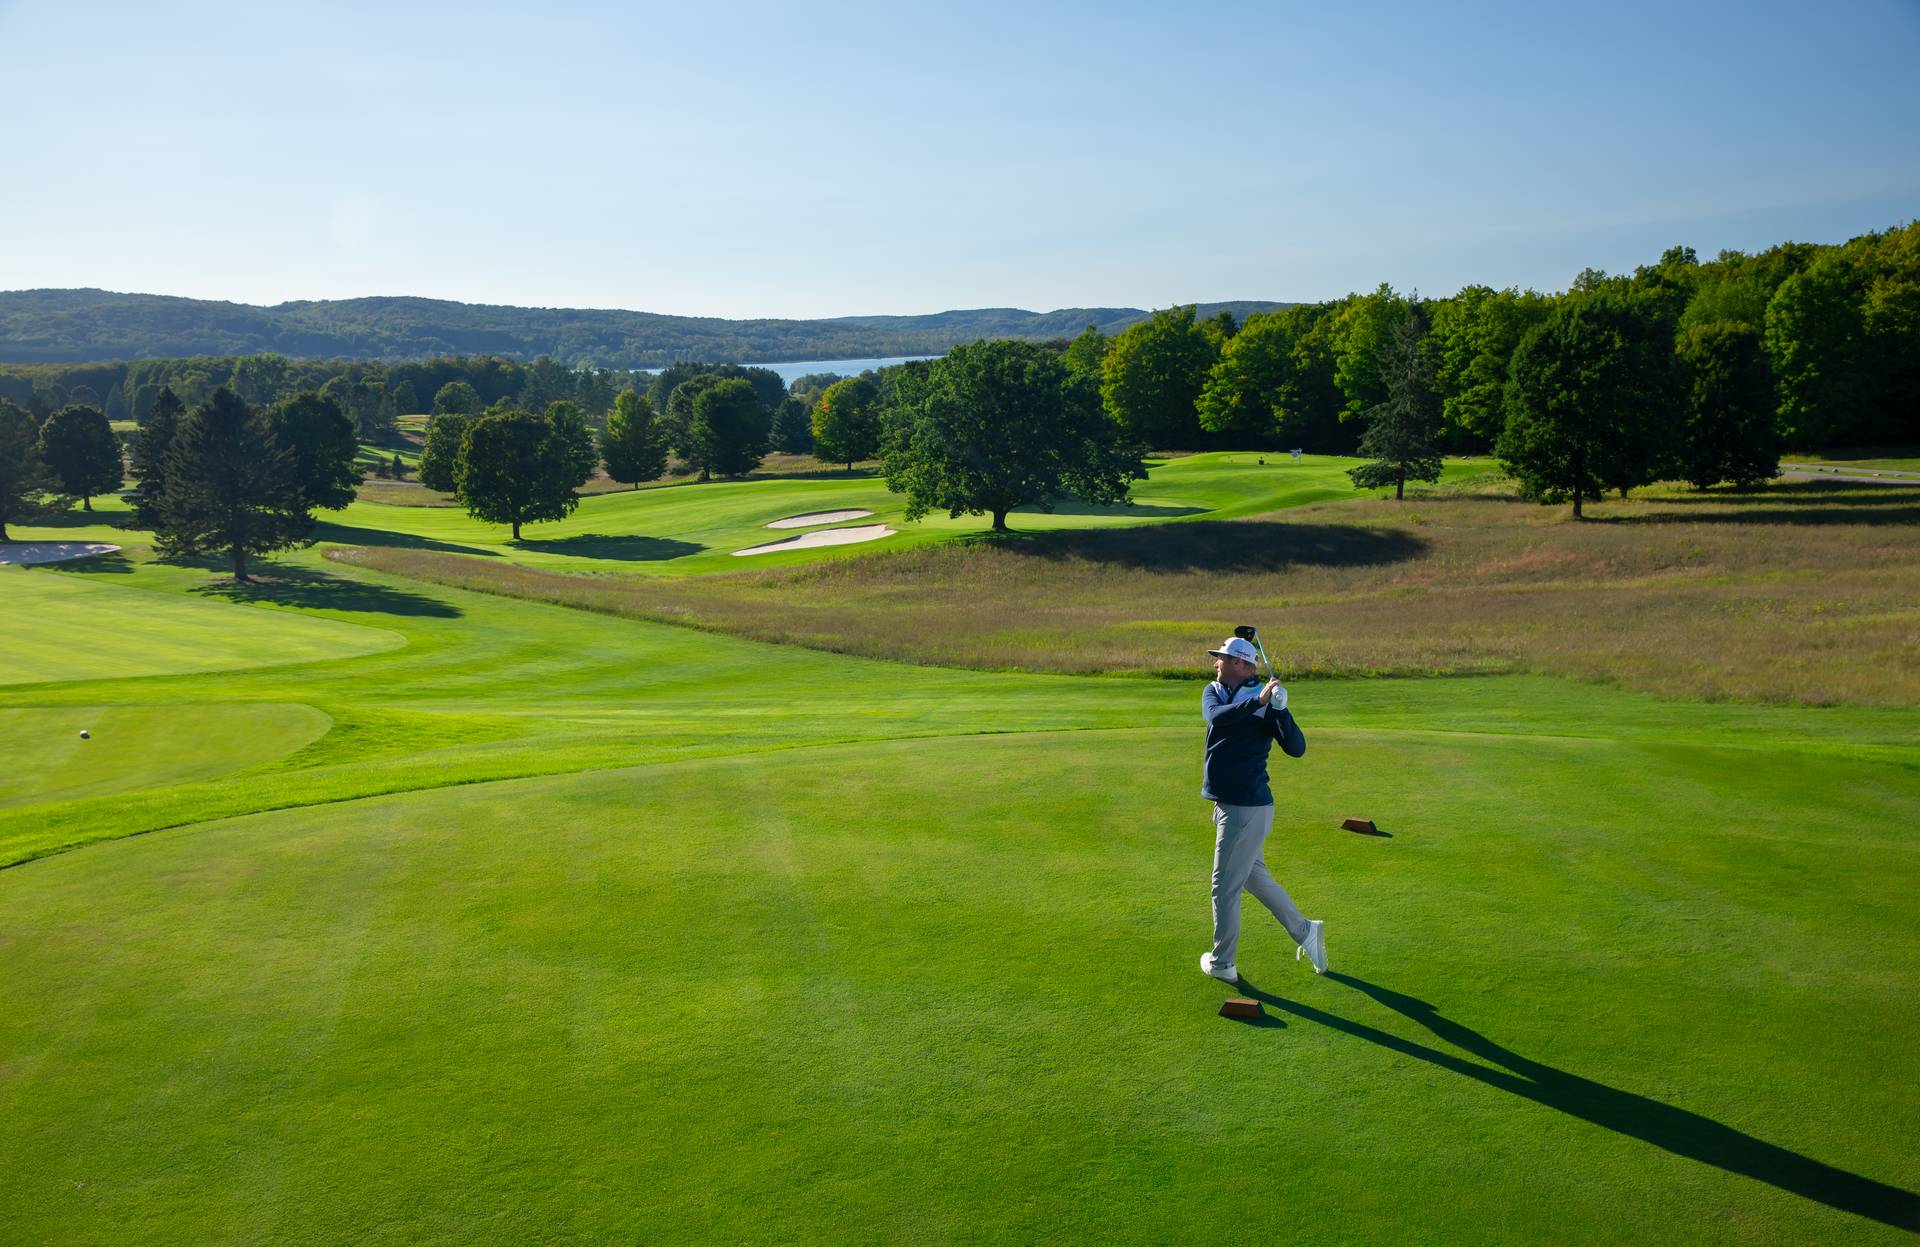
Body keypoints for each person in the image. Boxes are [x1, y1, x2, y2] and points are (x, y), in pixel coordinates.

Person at [1198, 635, 1324, 984]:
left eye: (1221, 658)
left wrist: (1280, 710)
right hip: (1230, 806)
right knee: (1254, 877)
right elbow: (1217, 718)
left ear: (1240, 664)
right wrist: (1257, 701)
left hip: (1247, 808)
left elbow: (1296, 748)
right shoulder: (1215, 692)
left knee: (1223, 887)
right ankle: (1305, 931)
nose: (1216, 663)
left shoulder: (1268, 702)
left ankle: (1222, 962)